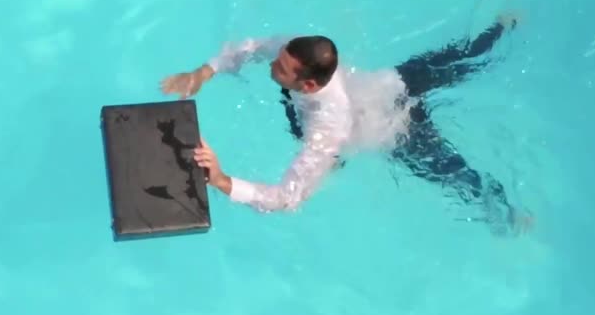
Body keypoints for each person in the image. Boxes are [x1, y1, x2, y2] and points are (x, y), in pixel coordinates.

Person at [159, 12, 532, 233]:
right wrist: (203, 73)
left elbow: (288, 198)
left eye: (281, 69)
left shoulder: (326, 128)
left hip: (395, 131)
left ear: (306, 84)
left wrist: (222, 180)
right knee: (459, 58)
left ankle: (509, 214)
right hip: (392, 84)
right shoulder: (299, 52)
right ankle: (505, 27)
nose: (272, 64)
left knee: (458, 175)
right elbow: (254, 47)